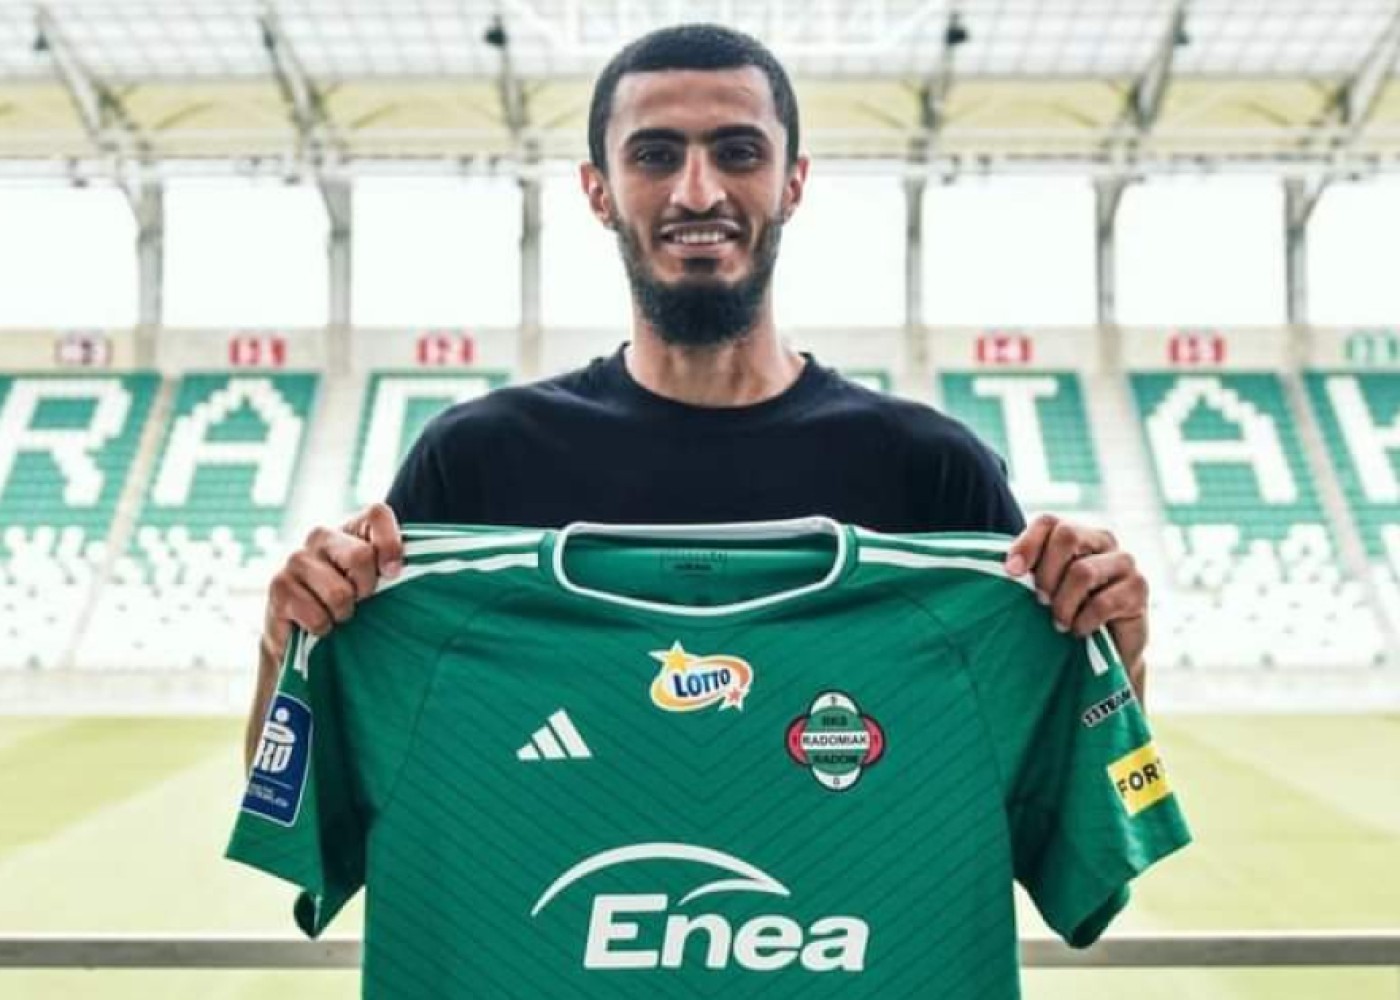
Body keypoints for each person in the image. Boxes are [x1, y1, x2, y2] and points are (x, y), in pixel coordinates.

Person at [247, 23, 1149, 766]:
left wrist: (1119, 653)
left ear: (793, 182)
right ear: (598, 191)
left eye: (738, 152)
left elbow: (1073, 815)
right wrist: (286, 644)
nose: (698, 190)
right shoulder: (475, 463)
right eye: (654, 155)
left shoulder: (933, 474)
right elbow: (299, 802)